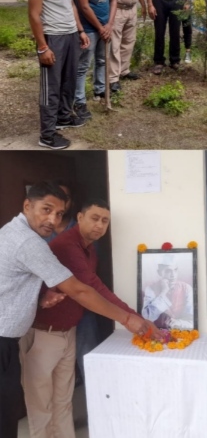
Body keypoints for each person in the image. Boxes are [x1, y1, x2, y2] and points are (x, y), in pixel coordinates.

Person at [0, 181, 151, 438]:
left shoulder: (26, 236)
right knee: (33, 408)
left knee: (61, 399)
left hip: (57, 332)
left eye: (58, 214)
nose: (52, 219)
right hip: (29, 336)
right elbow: (83, 289)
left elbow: (14, 283)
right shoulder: (37, 243)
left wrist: (39, 297)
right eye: (46, 210)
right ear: (27, 205)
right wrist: (130, 319)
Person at [27, 0, 90, 150]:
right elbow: (34, 16)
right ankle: (47, 135)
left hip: (71, 34)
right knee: (51, 88)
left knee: (68, 82)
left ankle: (63, 117)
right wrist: (43, 47)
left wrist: (80, 30)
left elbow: (70, 5)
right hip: (52, 37)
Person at [73, 0, 117, 110]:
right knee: (83, 65)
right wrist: (100, 28)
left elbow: (114, 0)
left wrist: (110, 24)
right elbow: (83, 6)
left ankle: (100, 91)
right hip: (89, 29)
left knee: (102, 60)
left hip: (105, 27)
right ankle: (79, 100)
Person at [142, 260, 194, 329]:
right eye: (168, 271)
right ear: (159, 272)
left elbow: (192, 319)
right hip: (157, 332)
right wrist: (164, 292)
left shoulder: (187, 288)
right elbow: (147, 317)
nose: (173, 275)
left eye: (175, 270)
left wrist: (178, 323)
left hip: (182, 331)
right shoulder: (151, 289)